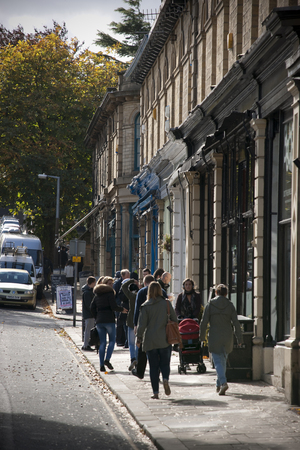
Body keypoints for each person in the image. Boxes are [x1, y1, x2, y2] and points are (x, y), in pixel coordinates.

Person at [199, 284, 243, 396]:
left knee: (217, 361)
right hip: (227, 335)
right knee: (223, 360)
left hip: (214, 335)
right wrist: (239, 338)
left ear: (216, 293)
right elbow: (236, 323)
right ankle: (218, 384)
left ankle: (223, 382)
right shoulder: (230, 305)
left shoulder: (210, 304)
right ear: (226, 293)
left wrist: (201, 337)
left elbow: (204, 322)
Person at [136, 281, 177, 399]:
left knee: (153, 366)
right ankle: (165, 379)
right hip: (165, 339)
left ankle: (155, 392)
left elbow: (142, 325)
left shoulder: (145, 306)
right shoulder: (167, 304)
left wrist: (139, 338)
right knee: (165, 363)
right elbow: (174, 319)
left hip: (150, 340)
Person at [91, 276, 128, 372]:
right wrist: (122, 310)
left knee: (102, 342)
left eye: (112, 283)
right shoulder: (110, 293)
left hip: (100, 321)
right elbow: (113, 306)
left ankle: (101, 364)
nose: (112, 285)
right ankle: (107, 360)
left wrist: (96, 317)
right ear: (106, 284)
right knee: (111, 341)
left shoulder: (97, 294)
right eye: (110, 283)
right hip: (109, 320)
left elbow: (92, 307)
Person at [122, 278, 139, 371]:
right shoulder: (141, 295)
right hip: (140, 321)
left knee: (131, 343)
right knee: (138, 342)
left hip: (131, 320)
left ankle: (133, 358)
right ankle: (137, 359)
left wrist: (131, 280)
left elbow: (124, 287)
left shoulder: (132, 296)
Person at [82, 276, 96, 351]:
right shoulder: (87, 292)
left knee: (88, 329)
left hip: (89, 314)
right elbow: (88, 305)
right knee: (88, 330)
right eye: (94, 282)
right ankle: (86, 345)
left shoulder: (88, 291)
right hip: (89, 314)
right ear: (92, 282)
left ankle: (86, 344)